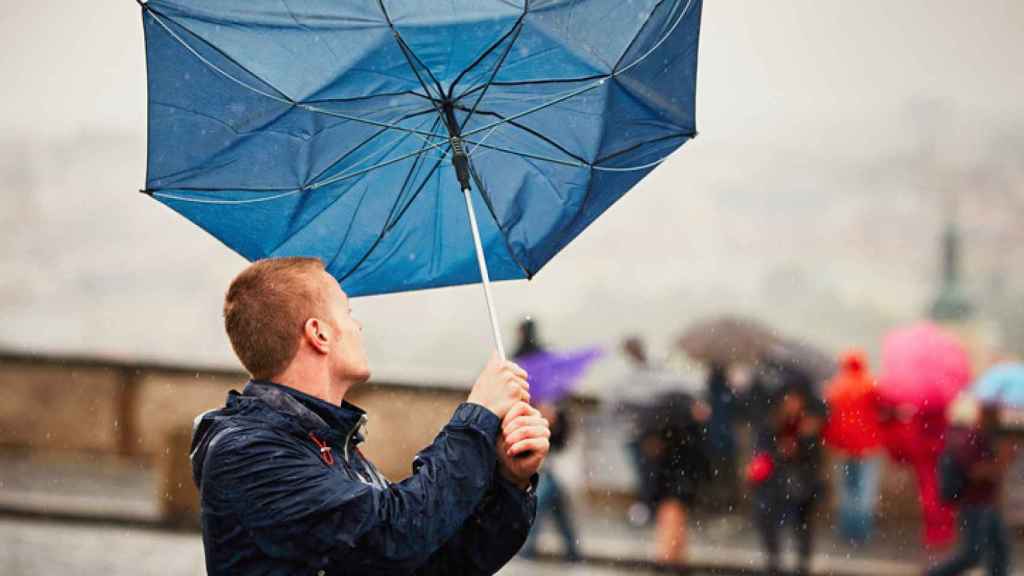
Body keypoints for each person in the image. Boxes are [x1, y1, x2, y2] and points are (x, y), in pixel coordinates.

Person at [190, 258, 550, 576]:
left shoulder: (327, 443)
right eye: (347, 312)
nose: (358, 326)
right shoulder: (248, 452)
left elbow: (434, 562)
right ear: (319, 333)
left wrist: (509, 482)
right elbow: (396, 533)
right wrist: (479, 415)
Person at [514, 319, 581, 562]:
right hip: (549, 452)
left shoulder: (520, 363)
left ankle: (528, 548)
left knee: (541, 501)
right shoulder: (549, 374)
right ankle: (572, 552)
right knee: (555, 503)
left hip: (547, 454)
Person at [926, 402, 1014, 576]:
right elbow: (974, 472)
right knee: (973, 554)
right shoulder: (974, 439)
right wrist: (1001, 463)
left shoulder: (986, 438)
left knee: (1000, 549)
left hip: (986, 504)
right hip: (975, 504)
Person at [749, 383, 825, 576]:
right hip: (775, 484)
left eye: (796, 400)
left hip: (803, 483)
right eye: (789, 400)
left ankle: (802, 563)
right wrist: (779, 452)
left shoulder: (808, 425)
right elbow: (762, 452)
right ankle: (774, 561)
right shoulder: (771, 424)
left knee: (803, 524)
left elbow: (815, 458)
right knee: (768, 521)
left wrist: (803, 441)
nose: (792, 404)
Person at [823, 350, 884, 545]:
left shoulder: (834, 387)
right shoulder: (870, 385)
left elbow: (829, 416)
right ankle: (862, 531)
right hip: (867, 446)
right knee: (865, 490)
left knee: (846, 490)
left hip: (843, 447)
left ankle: (846, 529)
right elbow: (883, 408)